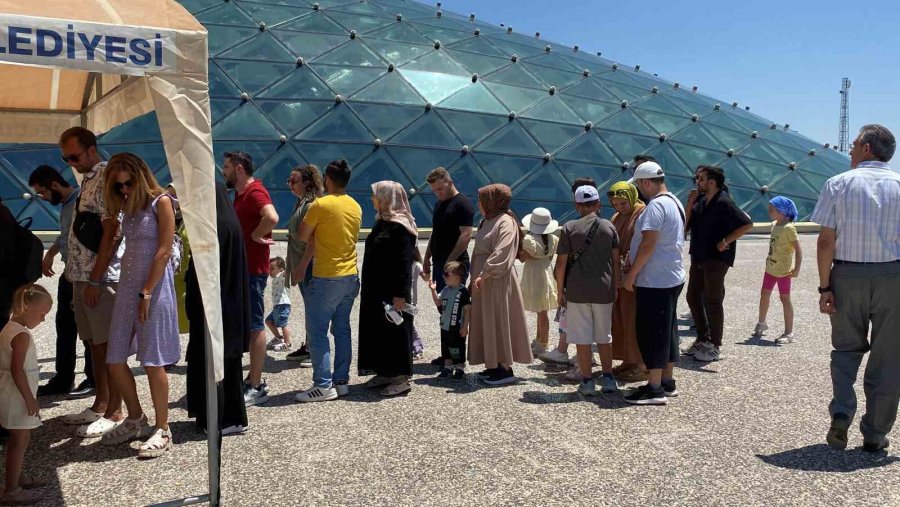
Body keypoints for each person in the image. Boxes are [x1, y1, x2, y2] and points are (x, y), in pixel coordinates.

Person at [812, 124, 900, 453]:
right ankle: (875, 434)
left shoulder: (837, 184)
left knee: (846, 350)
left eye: (852, 145)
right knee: (889, 358)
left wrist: (825, 287)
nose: (849, 150)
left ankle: (841, 412)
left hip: (847, 275)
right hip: (894, 277)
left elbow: (825, 242)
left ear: (865, 147)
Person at [98, 153, 180, 458]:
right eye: (117, 186)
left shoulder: (161, 202)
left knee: (152, 359)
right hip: (127, 288)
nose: (123, 189)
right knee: (115, 357)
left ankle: (163, 427)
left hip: (152, 289)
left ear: (140, 175)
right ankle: (135, 417)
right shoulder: (127, 206)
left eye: (128, 183)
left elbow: (163, 250)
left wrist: (146, 292)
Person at [57, 127, 125, 439]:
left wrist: (96, 280)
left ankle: (115, 409)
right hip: (83, 276)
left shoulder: (106, 175)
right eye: (66, 158)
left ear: (91, 149)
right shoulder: (88, 178)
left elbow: (113, 231)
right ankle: (101, 403)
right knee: (93, 344)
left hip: (98, 278)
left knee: (106, 345)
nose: (71, 162)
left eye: (74, 156)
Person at [293, 160, 362, 402]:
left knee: (318, 331)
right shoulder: (355, 205)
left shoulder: (320, 205)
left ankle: (322, 384)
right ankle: (341, 380)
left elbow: (302, 236)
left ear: (328, 180)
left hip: (326, 275)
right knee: (342, 328)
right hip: (350, 275)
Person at [186, 182, 251, 436]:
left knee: (218, 364)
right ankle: (223, 417)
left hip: (217, 308)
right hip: (225, 306)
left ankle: (225, 418)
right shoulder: (227, 223)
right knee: (223, 364)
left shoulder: (215, 227)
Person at [27, 165, 95, 397]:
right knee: (64, 327)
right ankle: (63, 377)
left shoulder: (81, 200)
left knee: (86, 329)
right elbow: (66, 235)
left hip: (82, 274)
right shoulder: (67, 205)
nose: (43, 198)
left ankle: (93, 377)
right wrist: (52, 253)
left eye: (43, 192)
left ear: (54, 185)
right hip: (69, 272)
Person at [623, 162, 686, 405]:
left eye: (639, 184)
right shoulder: (675, 202)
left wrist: (631, 275)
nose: (639, 189)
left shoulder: (655, 207)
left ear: (646, 182)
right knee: (667, 330)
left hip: (655, 280)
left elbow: (648, 243)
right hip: (671, 276)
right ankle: (667, 382)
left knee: (653, 333)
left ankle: (655, 387)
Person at [223, 151, 279, 406]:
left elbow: (272, 217)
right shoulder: (240, 194)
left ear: (239, 168)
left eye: (226, 167)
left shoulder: (255, 191)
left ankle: (256, 384)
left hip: (253, 270)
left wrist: (257, 235)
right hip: (242, 268)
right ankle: (250, 379)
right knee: (247, 323)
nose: (223, 171)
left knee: (256, 325)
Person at [682, 165, 752, 362]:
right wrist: (690, 203)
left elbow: (747, 224)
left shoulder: (724, 201)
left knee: (712, 300)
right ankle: (702, 337)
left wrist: (726, 241)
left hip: (716, 259)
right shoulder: (702, 201)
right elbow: (686, 226)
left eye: (701, 178)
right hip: (698, 256)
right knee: (692, 296)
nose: (697, 181)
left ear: (711, 182)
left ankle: (715, 344)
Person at [555, 186, 620, 396]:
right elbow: (616, 261)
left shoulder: (569, 228)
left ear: (577, 205)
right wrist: (615, 286)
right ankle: (609, 379)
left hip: (577, 291)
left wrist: (559, 292)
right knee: (604, 336)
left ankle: (587, 381)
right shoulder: (609, 227)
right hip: (604, 290)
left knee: (582, 337)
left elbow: (561, 265)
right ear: (598, 204)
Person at [357, 181, 418, 396]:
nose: (372, 199)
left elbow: (403, 262)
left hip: (393, 291)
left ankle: (400, 378)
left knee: (395, 331)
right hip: (376, 289)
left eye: (375, 195)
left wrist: (400, 294)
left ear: (386, 198)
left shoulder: (400, 226)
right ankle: (384, 371)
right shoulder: (382, 221)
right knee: (378, 330)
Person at [468, 184, 531, 386]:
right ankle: (492, 364)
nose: (478, 203)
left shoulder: (505, 221)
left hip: (497, 280)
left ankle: (504, 367)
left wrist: (485, 273)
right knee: (487, 319)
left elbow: (502, 252)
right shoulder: (488, 220)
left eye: (481, 199)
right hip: (485, 280)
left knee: (498, 318)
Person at [0, 284, 52, 506]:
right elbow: (17, 369)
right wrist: (29, 398)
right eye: (41, 314)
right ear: (27, 306)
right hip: (17, 396)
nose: (42, 320)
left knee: (18, 439)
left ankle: (16, 476)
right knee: (20, 439)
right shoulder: (21, 335)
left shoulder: (8, 328)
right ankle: (11, 489)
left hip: (10, 393)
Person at [539, 177, 598, 367]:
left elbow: (563, 260)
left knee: (574, 317)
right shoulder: (603, 223)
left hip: (576, 280)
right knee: (581, 318)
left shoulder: (573, 226)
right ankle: (570, 351)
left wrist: (560, 284)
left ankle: (577, 356)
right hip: (591, 280)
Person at [423, 167, 475, 366]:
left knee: (456, 310)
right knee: (443, 309)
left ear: (449, 182)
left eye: (439, 189)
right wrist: (427, 257)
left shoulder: (462, 204)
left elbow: (466, 235)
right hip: (439, 263)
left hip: (455, 266)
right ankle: (447, 353)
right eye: (434, 190)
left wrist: (450, 262)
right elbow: (435, 233)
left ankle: (456, 354)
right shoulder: (439, 204)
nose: (437, 193)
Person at [607, 181, 649, 382]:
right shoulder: (617, 217)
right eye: (616, 204)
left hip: (634, 274)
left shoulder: (642, 213)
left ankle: (640, 364)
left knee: (633, 318)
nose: (620, 208)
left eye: (623, 203)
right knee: (621, 317)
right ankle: (627, 360)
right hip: (618, 274)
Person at [285, 165, 323, 365]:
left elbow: (313, 241)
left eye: (294, 181)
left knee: (313, 307)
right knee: (310, 306)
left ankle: (314, 350)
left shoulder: (310, 205)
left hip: (308, 265)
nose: (290, 185)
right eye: (289, 181)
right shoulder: (301, 202)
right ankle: (309, 346)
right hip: (301, 262)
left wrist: (301, 267)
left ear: (308, 182)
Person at [753, 196, 802, 344]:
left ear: (782, 211)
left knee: (785, 298)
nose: (769, 211)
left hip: (783, 271)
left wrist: (796, 269)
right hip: (770, 268)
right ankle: (761, 322)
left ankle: (789, 332)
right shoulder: (775, 224)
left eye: (772, 209)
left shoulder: (789, 228)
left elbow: (798, 250)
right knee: (764, 294)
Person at [520, 207, 559, 357]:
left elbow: (523, 258)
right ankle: (540, 339)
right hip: (546, 273)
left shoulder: (530, 240)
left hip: (534, 275)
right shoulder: (553, 239)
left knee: (541, 312)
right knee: (542, 310)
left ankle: (543, 343)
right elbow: (549, 257)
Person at [428, 261, 471, 381]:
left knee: (458, 347)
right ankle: (448, 367)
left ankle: (460, 368)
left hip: (457, 326)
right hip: (445, 325)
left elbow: (467, 310)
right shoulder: (446, 290)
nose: (443, 276)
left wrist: (465, 326)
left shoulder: (463, 292)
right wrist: (433, 290)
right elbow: (438, 302)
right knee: (446, 347)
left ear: (457, 277)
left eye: (446, 274)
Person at [265, 257, 292, 352]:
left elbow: (287, 271)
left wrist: (288, 262)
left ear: (280, 269)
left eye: (272, 269)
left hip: (283, 304)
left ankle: (287, 343)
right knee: (268, 321)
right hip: (277, 305)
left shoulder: (282, 276)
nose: (270, 271)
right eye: (269, 269)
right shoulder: (275, 278)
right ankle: (278, 338)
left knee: (283, 324)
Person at [410, 248, 426, 360]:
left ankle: (418, 346)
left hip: (410, 300)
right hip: (411, 299)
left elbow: (425, 276)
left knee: (408, 324)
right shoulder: (416, 264)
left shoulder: (416, 265)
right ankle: (415, 347)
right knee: (405, 323)